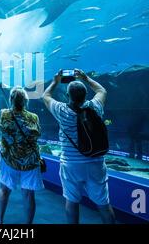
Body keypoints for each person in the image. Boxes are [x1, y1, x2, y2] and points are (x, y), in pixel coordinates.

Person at [42, 69, 116, 224]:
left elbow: (46, 96)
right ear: (85, 95)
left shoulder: (61, 110)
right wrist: (86, 78)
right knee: (103, 204)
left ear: (67, 96)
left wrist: (55, 81)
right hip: (96, 162)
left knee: (72, 202)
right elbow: (101, 90)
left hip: (71, 165)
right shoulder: (95, 107)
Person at [0, 86, 44, 224]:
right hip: (30, 162)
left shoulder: (4, 114)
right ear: (25, 101)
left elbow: (2, 128)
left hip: (9, 159)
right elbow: (37, 135)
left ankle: (0, 221)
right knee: (28, 194)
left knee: (4, 189)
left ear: (11, 99)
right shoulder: (33, 117)